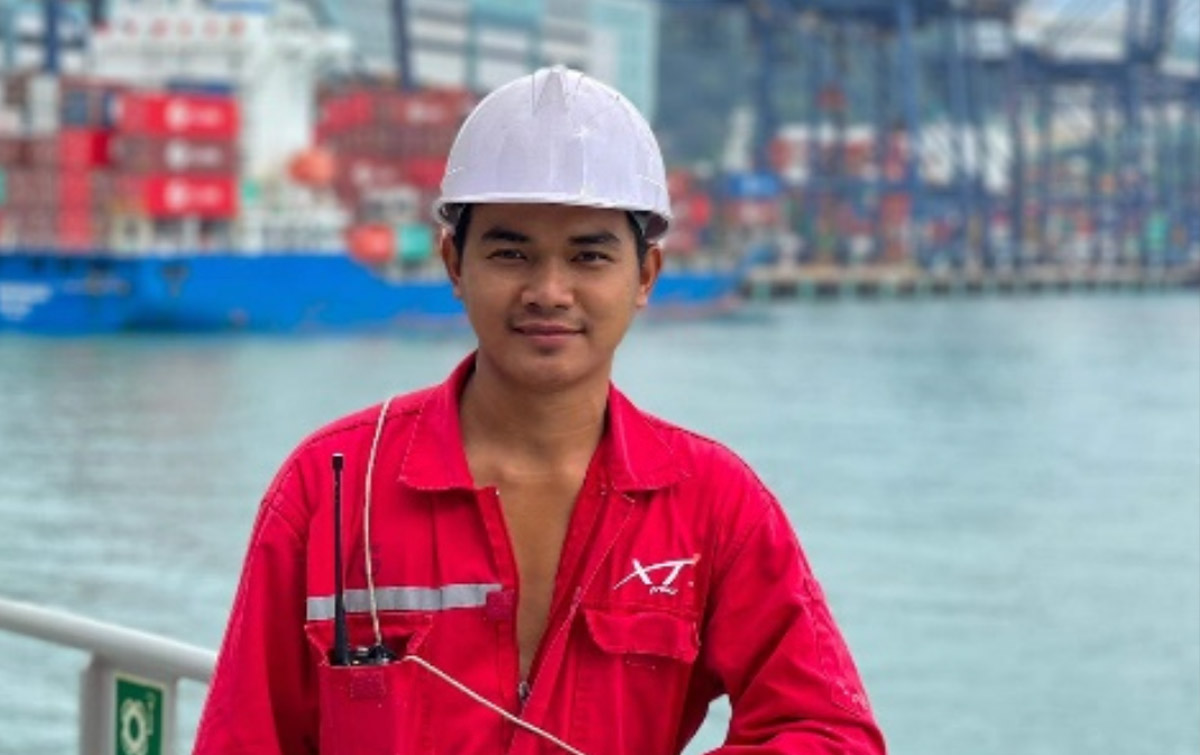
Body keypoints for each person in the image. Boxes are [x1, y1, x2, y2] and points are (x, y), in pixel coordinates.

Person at [193, 65, 886, 755]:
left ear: (645, 275)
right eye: (511, 252)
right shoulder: (331, 489)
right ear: (454, 264)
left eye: (588, 257)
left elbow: (832, 734)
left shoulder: (713, 503)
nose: (549, 291)